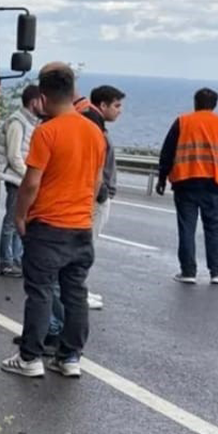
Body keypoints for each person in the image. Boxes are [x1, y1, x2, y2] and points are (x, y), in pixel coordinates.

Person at [1, 64, 106, 379]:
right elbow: (97, 182)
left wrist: (20, 216)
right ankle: (70, 356)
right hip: (80, 228)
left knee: (41, 292)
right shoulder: (94, 131)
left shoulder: (46, 132)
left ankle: (30, 357)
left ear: (43, 97)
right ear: (73, 93)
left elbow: (31, 183)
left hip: (48, 226)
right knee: (75, 293)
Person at [156, 87, 218, 285]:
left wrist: (161, 178)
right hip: (216, 182)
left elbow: (167, 151)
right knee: (214, 228)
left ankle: (188, 271)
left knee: (187, 228)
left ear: (195, 102)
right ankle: (217, 272)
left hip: (186, 181)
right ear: (215, 105)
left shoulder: (183, 121)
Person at [81, 84, 124, 308]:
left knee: (88, 244)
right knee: (87, 245)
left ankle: (81, 289)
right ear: (103, 105)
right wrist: (100, 194)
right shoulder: (93, 125)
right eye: (116, 105)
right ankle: (79, 292)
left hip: (99, 194)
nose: (120, 110)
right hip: (96, 196)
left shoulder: (95, 123)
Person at [0, 84, 43, 277]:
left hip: (21, 178)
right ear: (33, 102)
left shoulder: (29, 122)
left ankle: (15, 259)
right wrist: (30, 174)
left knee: (18, 221)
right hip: (16, 179)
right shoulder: (18, 122)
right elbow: (15, 155)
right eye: (41, 100)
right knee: (12, 222)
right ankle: (6, 261)